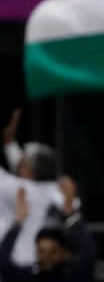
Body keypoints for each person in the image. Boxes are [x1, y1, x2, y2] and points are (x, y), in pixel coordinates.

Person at [0, 109, 66, 268]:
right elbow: (20, 163)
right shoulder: (55, 190)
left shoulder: (20, 189)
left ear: (31, 171)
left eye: (25, 160)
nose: (20, 160)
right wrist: (9, 140)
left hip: (17, 262)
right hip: (41, 262)